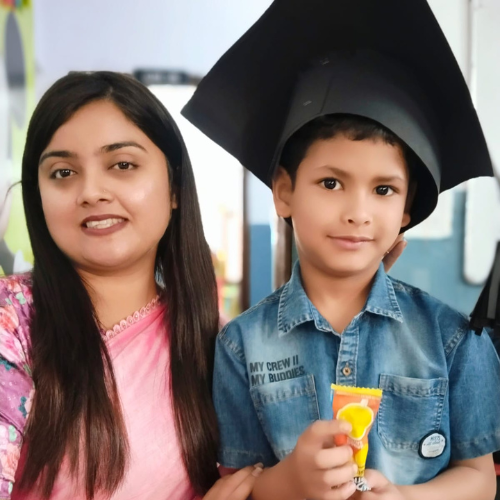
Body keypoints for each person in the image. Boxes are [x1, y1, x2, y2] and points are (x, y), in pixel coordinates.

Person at [182, 0, 500, 499]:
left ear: (407, 207)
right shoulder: (241, 347)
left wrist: (406, 497)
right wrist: (288, 482)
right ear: (284, 191)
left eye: (384, 189)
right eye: (331, 183)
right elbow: (237, 485)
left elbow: (480, 479)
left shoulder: (453, 340)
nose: (358, 212)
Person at [0, 71, 263, 500]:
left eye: (123, 165)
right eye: (63, 172)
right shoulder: (11, 321)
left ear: (174, 187)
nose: (91, 192)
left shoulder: (220, 347)